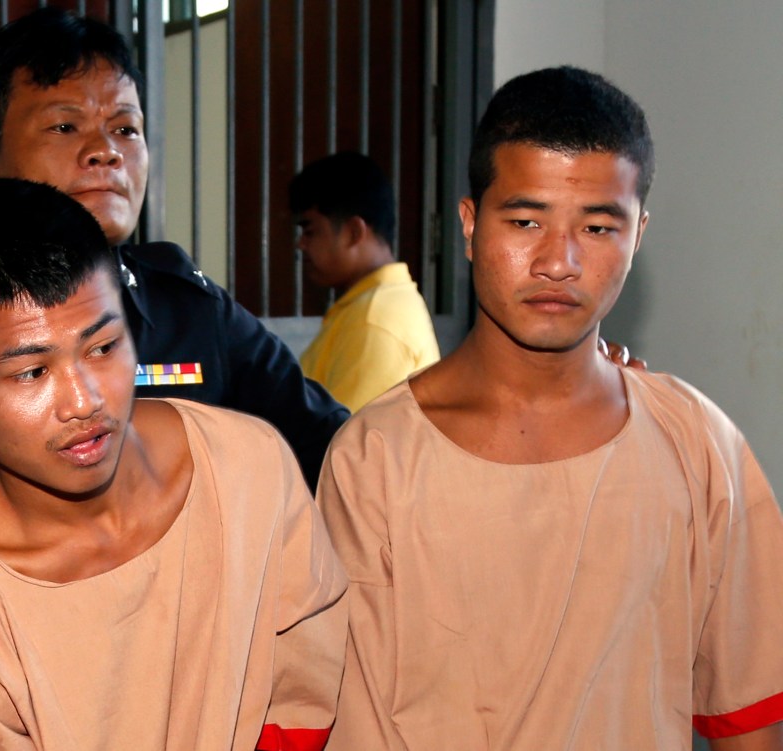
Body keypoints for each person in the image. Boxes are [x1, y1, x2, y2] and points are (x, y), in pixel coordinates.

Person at [0, 7, 347, 661]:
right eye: (65, 125)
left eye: (125, 127)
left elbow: (336, 451)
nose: (105, 150)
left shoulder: (193, 308)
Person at [317, 66, 783, 750]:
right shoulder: (374, 459)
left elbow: (751, 714)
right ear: (471, 225)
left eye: (597, 226)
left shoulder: (700, 444)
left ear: (638, 235)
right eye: (527, 219)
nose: (559, 261)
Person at [0, 178, 348, 750]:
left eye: (103, 348)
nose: (85, 400)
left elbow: (310, 678)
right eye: (32, 372)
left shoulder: (246, 466)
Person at [289, 152, 441, 413]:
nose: (300, 244)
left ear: (354, 232)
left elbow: (344, 444)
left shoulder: (375, 319)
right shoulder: (372, 306)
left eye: (310, 231)